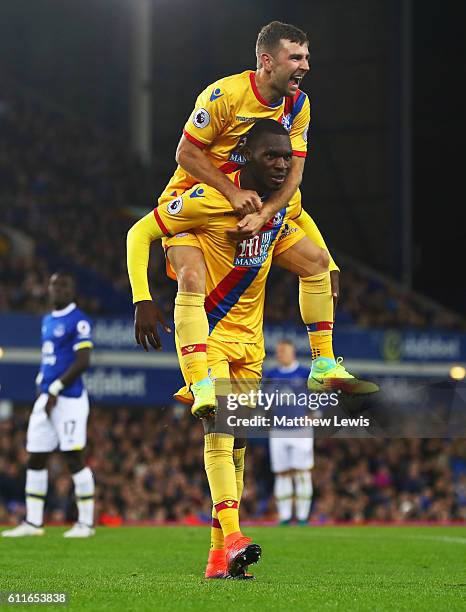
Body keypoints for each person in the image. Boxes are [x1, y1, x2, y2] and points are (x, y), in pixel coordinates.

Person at [134, 21, 374, 414]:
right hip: (195, 202)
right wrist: (233, 193)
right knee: (192, 279)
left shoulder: (298, 105)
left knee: (315, 262)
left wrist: (265, 210)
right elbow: (186, 155)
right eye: (296, 57)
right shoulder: (224, 95)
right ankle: (200, 381)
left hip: (252, 203)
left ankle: (324, 362)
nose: (306, 65)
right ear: (267, 61)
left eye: (307, 56)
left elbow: (295, 173)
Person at [127, 120, 328, 578]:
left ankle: (219, 558)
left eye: (285, 156)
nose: (281, 164)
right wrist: (142, 296)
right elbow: (139, 233)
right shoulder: (207, 198)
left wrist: (327, 263)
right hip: (209, 331)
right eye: (270, 156)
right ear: (246, 157)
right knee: (219, 434)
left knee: (238, 445)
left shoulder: (282, 201)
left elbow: (301, 218)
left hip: (250, 340)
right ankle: (236, 537)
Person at [2, 272, 95, 539]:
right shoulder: (47, 320)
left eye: (64, 285)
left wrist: (56, 387)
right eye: (54, 285)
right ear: (49, 289)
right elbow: (51, 357)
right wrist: (43, 380)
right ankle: (33, 522)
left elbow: (83, 361)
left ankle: (86, 524)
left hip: (69, 398)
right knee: (35, 456)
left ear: (72, 290)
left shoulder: (79, 321)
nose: (58, 289)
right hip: (47, 396)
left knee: (73, 457)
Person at [266, 339, 314, 525]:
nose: (279, 354)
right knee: (282, 473)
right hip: (278, 430)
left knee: (302, 472)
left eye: (282, 351)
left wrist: (314, 415)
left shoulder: (304, 373)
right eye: (278, 351)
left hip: (301, 430)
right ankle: (285, 516)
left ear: (292, 352)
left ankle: (302, 517)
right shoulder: (272, 374)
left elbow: (319, 395)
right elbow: (265, 400)